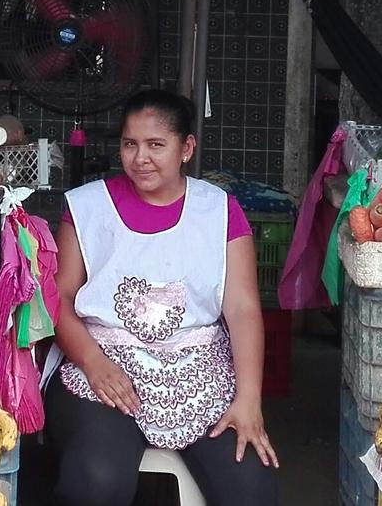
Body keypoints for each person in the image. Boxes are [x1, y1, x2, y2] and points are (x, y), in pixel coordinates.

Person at [47, 89, 278, 506]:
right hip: (101, 368)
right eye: (130, 144)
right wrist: (93, 362)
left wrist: (249, 400)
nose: (140, 158)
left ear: (186, 147)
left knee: (251, 489)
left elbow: (242, 309)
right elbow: (59, 298)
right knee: (97, 481)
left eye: (156, 145)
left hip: (200, 372)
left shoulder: (220, 210)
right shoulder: (85, 208)